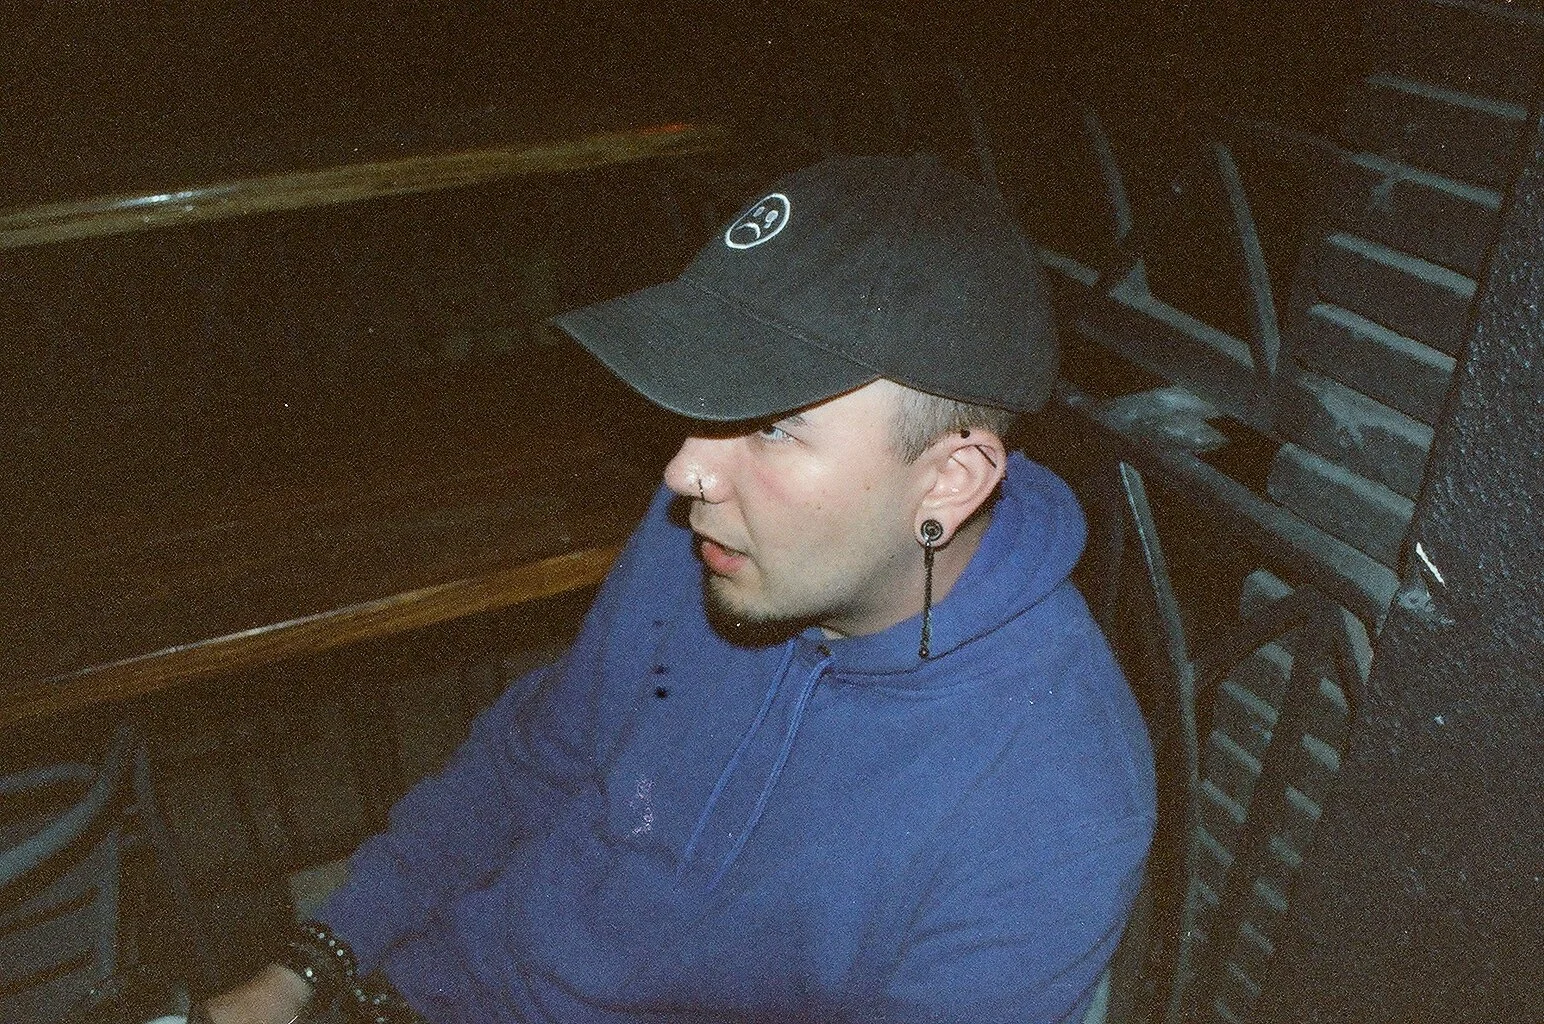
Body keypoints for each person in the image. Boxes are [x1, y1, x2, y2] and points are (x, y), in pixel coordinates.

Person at [204, 154, 1155, 1024]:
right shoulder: (717, 544)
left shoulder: (1051, 803)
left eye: (771, 425)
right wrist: (303, 968)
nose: (684, 472)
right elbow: (534, 762)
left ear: (949, 480)